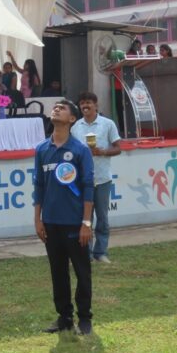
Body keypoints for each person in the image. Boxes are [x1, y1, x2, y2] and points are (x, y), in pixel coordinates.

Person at [33, 99, 95, 335]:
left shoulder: (80, 150)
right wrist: (38, 219)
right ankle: (64, 317)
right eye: (55, 107)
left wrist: (86, 223)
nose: (57, 108)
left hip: (75, 223)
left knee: (82, 271)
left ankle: (85, 317)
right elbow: (39, 185)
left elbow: (88, 186)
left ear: (72, 119)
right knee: (57, 272)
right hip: (51, 223)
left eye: (63, 108)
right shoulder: (42, 149)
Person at [71, 92, 121, 263]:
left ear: (96, 105)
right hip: (83, 180)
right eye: (82, 103)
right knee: (85, 218)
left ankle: (101, 252)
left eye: (88, 103)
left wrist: (103, 152)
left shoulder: (107, 124)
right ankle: (87, 253)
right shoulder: (75, 127)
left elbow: (118, 148)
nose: (85, 106)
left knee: (102, 218)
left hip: (102, 178)